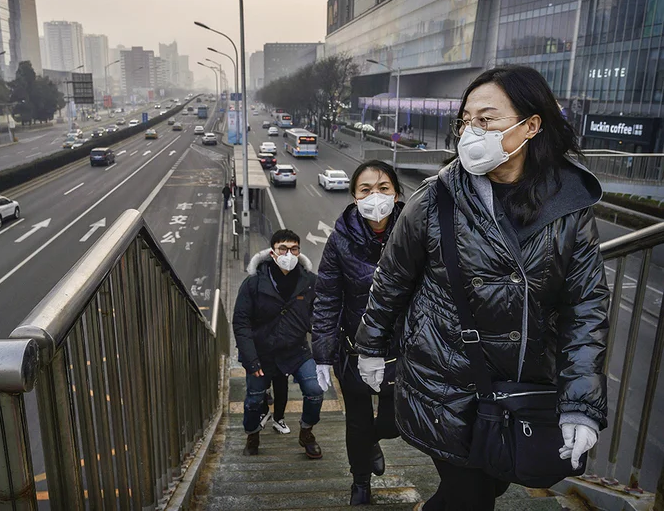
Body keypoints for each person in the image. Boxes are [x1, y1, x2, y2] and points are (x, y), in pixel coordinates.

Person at [355, 65, 609, 511]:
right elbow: (392, 277)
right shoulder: (435, 201)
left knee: (490, 484)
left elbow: (585, 306)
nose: (471, 131)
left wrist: (581, 403)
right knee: (467, 496)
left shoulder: (569, 208)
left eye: (486, 119)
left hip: (521, 390)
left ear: (531, 126)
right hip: (445, 383)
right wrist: (371, 346)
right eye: (466, 120)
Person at [312, 160, 405, 505]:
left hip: (401, 350)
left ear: (396, 194)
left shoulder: (415, 232)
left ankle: (372, 442)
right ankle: (360, 482)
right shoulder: (339, 241)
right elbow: (326, 298)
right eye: (366, 189)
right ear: (354, 196)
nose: (375, 196)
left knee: (395, 422)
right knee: (358, 421)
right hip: (354, 349)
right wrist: (321, 353)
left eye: (383, 188)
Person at [232, 229, 324, 458]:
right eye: (283, 249)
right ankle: (252, 434)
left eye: (294, 249)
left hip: (296, 351)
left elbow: (321, 316)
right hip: (261, 352)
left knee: (315, 390)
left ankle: (307, 432)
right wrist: (251, 360)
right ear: (273, 252)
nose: (289, 254)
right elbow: (241, 322)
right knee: (254, 398)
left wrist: (325, 351)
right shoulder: (253, 283)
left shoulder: (310, 282)